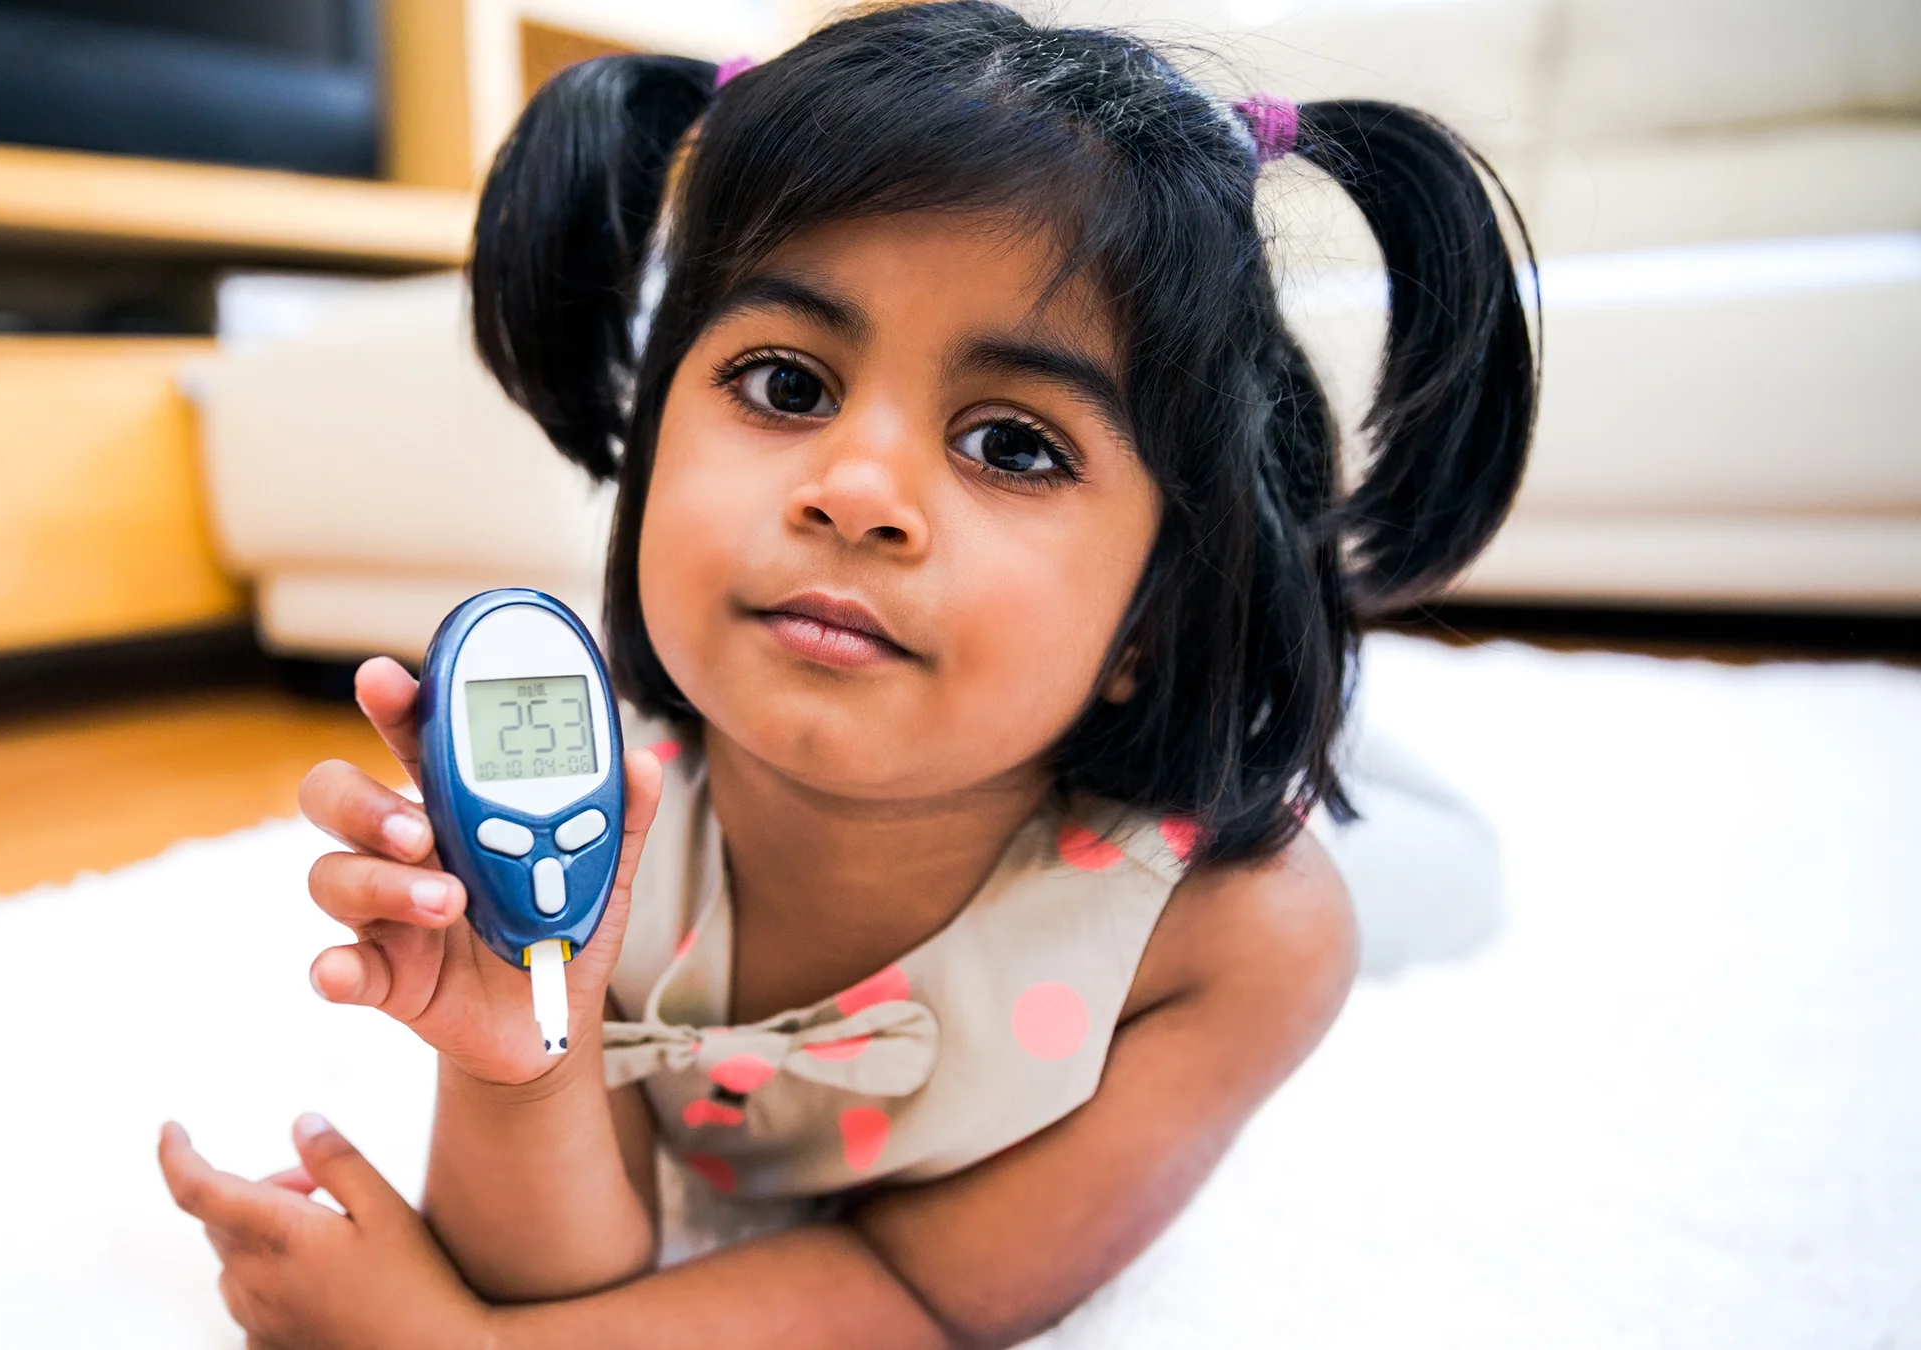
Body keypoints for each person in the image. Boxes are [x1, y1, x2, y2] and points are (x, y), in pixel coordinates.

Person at [156, 2, 1536, 1344]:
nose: (857, 490)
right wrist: (518, 1048)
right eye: (786, 384)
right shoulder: (613, 821)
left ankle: (1316, 689)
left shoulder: (1240, 942)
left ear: (1152, 617)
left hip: (1179, 802)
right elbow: (570, 1268)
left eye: (1011, 444)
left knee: (1424, 851)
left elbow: (927, 1294)